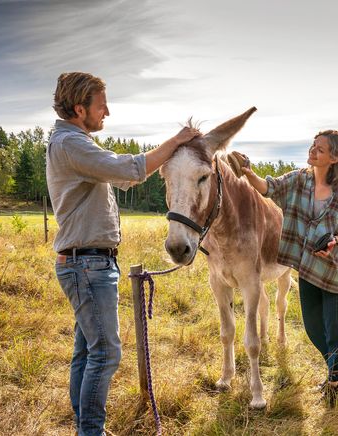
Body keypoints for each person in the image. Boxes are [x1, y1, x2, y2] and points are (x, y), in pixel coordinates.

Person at [47, 72, 200, 435]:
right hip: (87, 264)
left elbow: (121, 176)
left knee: (88, 351)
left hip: (88, 262)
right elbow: (128, 170)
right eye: (101, 106)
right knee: (105, 353)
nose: (108, 113)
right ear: (79, 108)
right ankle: (91, 431)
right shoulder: (71, 144)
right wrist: (177, 140)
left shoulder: (73, 143)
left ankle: (86, 426)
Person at [237, 130, 338, 406]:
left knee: (335, 332)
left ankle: (336, 382)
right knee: (313, 328)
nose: (312, 151)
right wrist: (248, 172)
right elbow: (267, 187)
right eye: (313, 146)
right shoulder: (299, 180)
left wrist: (334, 240)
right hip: (308, 268)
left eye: (319, 149)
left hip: (335, 273)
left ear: (334, 158)